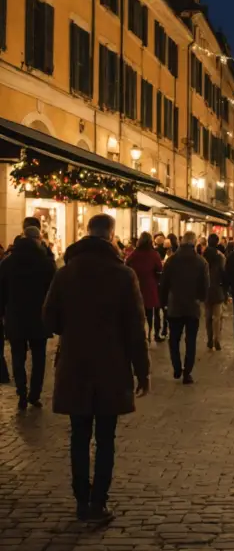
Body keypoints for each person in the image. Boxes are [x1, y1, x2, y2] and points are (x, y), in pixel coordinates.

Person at [42, 213, 150, 523]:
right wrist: (142, 371)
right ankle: (98, 501)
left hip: (75, 364)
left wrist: (73, 327)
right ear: (112, 236)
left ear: (87, 233)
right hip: (111, 366)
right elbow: (135, 328)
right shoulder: (122, 275)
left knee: (78, 435)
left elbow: (49, 319)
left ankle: (80, 499)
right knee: (105, 438)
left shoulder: (66, 272)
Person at [0, 226, 57, 410]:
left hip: (15, 315)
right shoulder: (46, 263)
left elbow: (1, 292)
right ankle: (34, 394)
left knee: (18, 356)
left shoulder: (8, 262)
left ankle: (22, 392)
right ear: (39, 239)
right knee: (39, 357)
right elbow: (53, 292)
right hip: (38, 316)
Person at [160, 231, 209, 384]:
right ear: (194, 243)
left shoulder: (171, 260)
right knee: (191, 340)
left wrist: (164, 303)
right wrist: (200, 298)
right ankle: (187, 372)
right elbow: (205, 286)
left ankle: (176, 367)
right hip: (192, 307)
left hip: (175, 305)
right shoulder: (201, 262)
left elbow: (164, 284)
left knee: (174, 339)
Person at [126, 232, 163, 344]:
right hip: (150, 285)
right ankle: (153, 334)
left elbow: (126, 264)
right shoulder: (154, 254)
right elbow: (160, 269)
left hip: (136, 285)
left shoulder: (134, 254)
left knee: (137, 311)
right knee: (152, 312)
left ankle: (140, 333)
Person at [203, 233, 227, 351]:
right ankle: (216, 339)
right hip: (217, 289)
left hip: (206, 289)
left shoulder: (202, 256)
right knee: (217, 317)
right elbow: (224, 274)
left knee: (208, 316)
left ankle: (209, 338)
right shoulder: (220, 257)